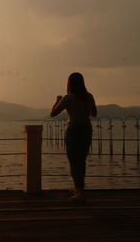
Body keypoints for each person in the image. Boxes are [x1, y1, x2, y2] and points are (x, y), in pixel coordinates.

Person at [50, 72, 97, 202]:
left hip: (73, 131)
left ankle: (79, 192)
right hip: (86, 129)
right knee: (81, 160)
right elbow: (94, 113)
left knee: (74, 162)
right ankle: (79, 189)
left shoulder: (68, 98)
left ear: (70, 83)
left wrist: (57, 101)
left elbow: (53, 114)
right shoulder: (89, 96)